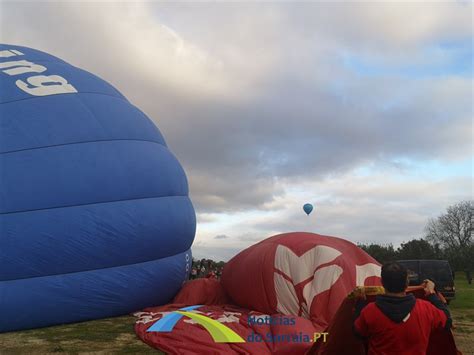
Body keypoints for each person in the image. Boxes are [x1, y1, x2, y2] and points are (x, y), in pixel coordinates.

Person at [353, 262, 452, 355]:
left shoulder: (369, 311)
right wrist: (431, 294)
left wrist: (360, 303)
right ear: (407, 282)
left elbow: (357, 332)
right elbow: (447, 321)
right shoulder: (425, 309)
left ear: (382, 283)